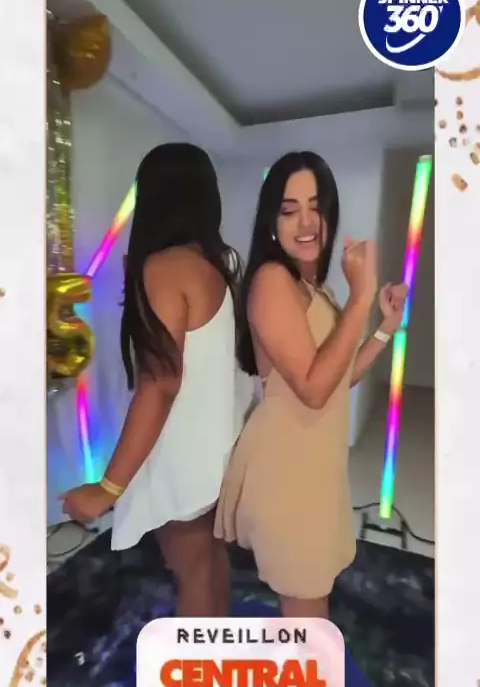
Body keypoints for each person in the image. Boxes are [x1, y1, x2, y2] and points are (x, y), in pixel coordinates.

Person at [214, 151, 407, 619]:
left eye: (316, 207)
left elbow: (338, 378)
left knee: (308, 606)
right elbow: (314, 389)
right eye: (289, 209)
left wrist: (384, 328)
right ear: (271, 221)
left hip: (316, 465)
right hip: (288, 469)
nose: (305, 222)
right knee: (307, 614)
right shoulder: (271, 281)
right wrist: (361, 297)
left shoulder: (314, 286)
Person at [60, 143, 244, 617]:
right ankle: (219, 652)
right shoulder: (215, 266)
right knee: (208, 565)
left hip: (181, 457)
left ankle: (201, 663)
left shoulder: (165, 267)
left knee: (192, 574)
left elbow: (160, 384)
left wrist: (108, 488)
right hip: (215, 451)